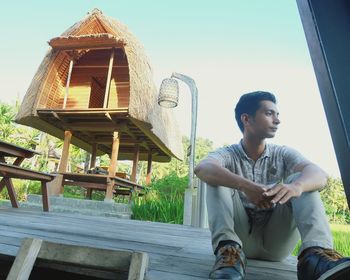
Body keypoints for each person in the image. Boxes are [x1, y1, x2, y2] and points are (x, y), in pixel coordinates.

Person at [194, 91, 350, 280]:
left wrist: (296, 187)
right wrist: (245, 186)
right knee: (216, 179)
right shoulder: (227, 154)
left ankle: (315, 260)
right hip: (239, 241)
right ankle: (228, 254)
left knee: (300, 180)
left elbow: (320, 175)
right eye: (269, 114)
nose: (277, 120)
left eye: (277, 115)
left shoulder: (283, 153)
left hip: (276, 243)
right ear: (246, 119)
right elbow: (202, 168)